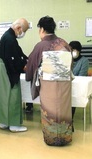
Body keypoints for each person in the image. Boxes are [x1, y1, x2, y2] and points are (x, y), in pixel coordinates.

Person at [25, 16, 72, 146]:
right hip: (64, 84)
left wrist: (29, 76)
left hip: (48, 85)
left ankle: (51, 138)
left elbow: (31, 65)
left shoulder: (40, 46)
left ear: (42, 29)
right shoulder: (64, 44)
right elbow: (70, 64)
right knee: (63, 109)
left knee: (49, 110)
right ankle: (65, 137)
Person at [0, 18, 29, 132]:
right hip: (7, 69)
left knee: (3, 95)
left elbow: (18, 53)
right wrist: (23, 66)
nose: (22, 34)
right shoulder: (10, 39)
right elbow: (14, 60)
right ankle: (14, 125)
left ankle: (4, 122)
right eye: (23, 31)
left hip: (2, 68)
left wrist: (26, 59)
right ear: (18, 28)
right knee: (12, 95)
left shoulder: (8, 36)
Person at [69, 41, 89, 131]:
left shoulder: (84, 61)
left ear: (79, 51)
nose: (72, 51)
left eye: (74, 49)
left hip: (78, 85)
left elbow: (82, 75)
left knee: (72, 97)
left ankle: (70, 120)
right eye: (71, 49)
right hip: (67, 84)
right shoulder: (68, 59)